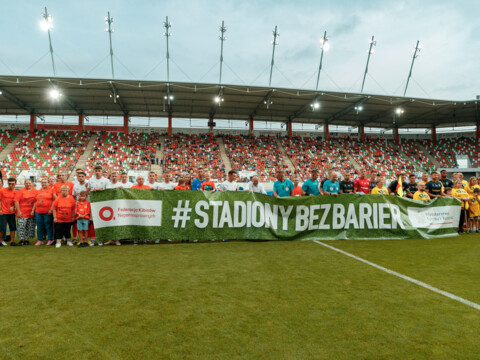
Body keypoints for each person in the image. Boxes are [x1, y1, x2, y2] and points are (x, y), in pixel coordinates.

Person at [87, 165, 109, 247]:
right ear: (94, 171)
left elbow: (109, 192)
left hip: (102, 204)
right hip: (93, 204)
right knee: (92, 222)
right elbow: (88, 191)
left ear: (101, 171)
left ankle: (100, 239)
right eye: (96, 170)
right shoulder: (91, 180)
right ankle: (93, 240)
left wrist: (100, 189)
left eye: (99, 170)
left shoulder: (106, 181)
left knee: (101, 222)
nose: (97, 172)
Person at [14, 179, 37, 246]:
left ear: (32, 184)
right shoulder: (20, 191)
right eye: (27, 183)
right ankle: (21, 240)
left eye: (29, 183)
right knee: (21, 226)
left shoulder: (35, 191)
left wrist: (33, 210)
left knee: (29, 226)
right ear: (24, 184)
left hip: (31, 212)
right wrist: (18, 211)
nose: (28, 184)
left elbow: (36, 201)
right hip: (22, 212)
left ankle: (26, 239)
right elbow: (16, 201)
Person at [34, 178, 55, 246]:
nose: (44, 184)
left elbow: (54, 200)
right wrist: (33, 210)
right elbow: (35, 201)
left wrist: (51, 209)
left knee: (48, 226)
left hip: (47, 212)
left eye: (45, 182)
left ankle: (50, 239)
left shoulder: (51, 190)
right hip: (38, 212)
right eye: (42, 182)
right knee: (39, 226)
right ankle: (40, 240)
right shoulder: (38, 191)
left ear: (48, 183)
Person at [0, 178, 17, 246]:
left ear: (15, 184)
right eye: (9, 184)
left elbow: (17, 202)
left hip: (12, 213)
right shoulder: (2, 190)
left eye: (12, 184)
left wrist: (14, 207)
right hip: (3, 212)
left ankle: (12, 241)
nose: (11, 185)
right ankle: (0, 241)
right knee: (2, 228)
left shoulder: (16, 192)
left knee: (13, 227)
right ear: (7, 183)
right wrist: (0, 209)